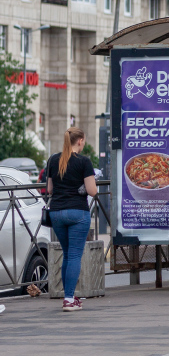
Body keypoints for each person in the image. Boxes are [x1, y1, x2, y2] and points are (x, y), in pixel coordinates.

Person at [45, 127, 97, 311]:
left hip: (56, 213)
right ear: (80, 140)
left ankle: (69, 296)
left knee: (67, 254)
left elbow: (49, 189)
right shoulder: (84, 161)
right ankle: (68, 299)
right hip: (77, 213)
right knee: (74, 255)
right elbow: (92, 191)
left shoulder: (53, 160)